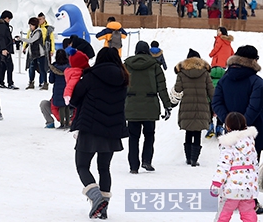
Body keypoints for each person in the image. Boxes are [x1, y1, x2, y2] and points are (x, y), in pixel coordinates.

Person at [71, 47, 129, 219]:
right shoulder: (123, 78)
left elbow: (74, 99)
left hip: (90, 127)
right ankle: (103, 208)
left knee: (82, 165)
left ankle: (95, 196)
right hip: (112, 130)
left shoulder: (90, 76)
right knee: (104, 168)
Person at [212, 45, 263, 215]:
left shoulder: (224, 79)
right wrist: (243, 125)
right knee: (250, 167)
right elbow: (255, 106)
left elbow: (216, 102)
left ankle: (230, 198)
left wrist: (229, 123)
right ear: (253, 61)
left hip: (230, 132)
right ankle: (251, 201)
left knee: (229, 165)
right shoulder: (256, 81)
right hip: (254, 131)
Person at [124, 41, 172, 173]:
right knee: (149, 135)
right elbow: (162, 87)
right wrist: (167, 106)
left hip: (132, 106)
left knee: (133, 137)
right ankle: (147, 161)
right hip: (150, 105)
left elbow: (121, 86)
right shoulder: (155, 65)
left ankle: (133, 166)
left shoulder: (126, 65)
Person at [210, 112, 258, 222]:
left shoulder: (228, 144)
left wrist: (216, 183)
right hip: (248, 188)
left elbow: (223, 165)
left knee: (223, 215)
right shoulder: (250, 143)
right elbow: (254, 164)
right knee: (249, 215)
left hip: (231, 189)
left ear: (227, 126)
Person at [173, 49, 214, 167]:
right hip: (202, 106)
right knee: (197, 132)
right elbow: (211, 91)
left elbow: (178, 89)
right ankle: (194, 160)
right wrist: (215, 105)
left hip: (187, 105)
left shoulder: (181, 73)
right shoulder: (205, 73)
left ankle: (188, 158)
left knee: (188, 131)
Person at [0, 10, 18, 89]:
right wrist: (4, 48)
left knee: (3, 66)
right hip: (4, 49)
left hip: (2, 48)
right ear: (6, 18)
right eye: (9, 19)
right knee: (9, 66)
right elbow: (1, 38)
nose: (9, 20)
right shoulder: (2, 26)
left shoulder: (0, 25)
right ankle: (10, 83)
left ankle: (1, 81)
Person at [42, 49, 69, 129]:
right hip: (67, 90)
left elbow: (51, 80)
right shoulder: (69, 67)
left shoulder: (54, 67)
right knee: (67, 106)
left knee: (60, 106)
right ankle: (67, 123)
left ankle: (62, 124)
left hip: (57, 91)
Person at [18, 17, 48, 90]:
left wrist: (21, 39)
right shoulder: (32, 32)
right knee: (31, 68)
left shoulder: (38, 32)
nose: (30, 27)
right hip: (33, 53)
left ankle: (45, 83)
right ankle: (31, 82)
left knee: (42, 69)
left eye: (31, 25)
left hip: (40, 53)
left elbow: (31, 40)